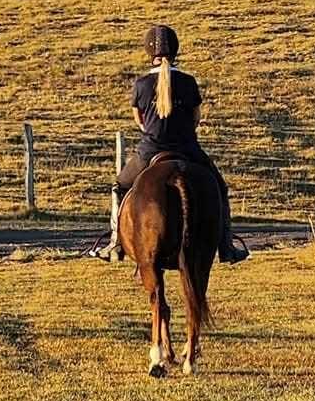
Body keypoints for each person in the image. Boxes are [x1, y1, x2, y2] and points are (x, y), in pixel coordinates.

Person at [94, 24, 246, 263]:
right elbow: (196, 117)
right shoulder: (188, 82)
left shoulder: (141, 85)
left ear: (149, 52)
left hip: (151, 150)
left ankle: (114, 244)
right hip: (188, 149)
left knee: (120, 186)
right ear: (175, 51)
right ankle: (226, 246)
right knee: (220, 187)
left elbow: (140, 121)